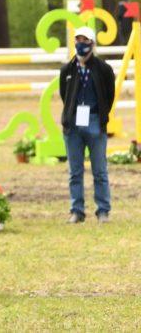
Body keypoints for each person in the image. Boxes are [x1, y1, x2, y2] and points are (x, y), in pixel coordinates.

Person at [58, 25, 115, 223]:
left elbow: (109, 96)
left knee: (99, 170)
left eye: (85, 40)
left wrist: (100, 116)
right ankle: (77, 210)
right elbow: (64, 94)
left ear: (92, 44)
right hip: (73, 125)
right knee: (75, 171)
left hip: (95, 122)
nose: (80, 44)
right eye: (78, 40)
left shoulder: (104, 69)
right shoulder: (67, 69)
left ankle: (103, 210)